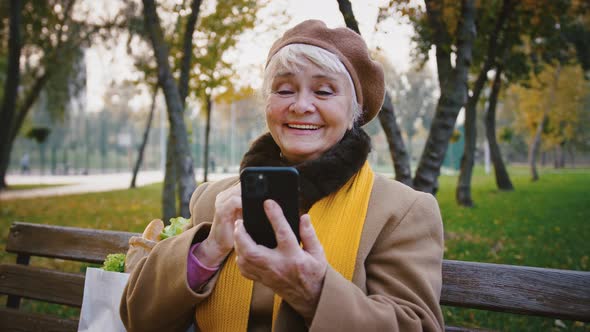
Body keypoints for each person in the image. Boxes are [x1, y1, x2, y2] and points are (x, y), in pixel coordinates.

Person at [120, 19, 444, 331]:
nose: (301, 105)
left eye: (324, 91)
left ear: (353, 112)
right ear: (267, 105)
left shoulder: (400, 212)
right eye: (284, 90)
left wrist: (313, 293)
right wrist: (209, 249)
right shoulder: (215, 202)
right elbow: (140, 320)